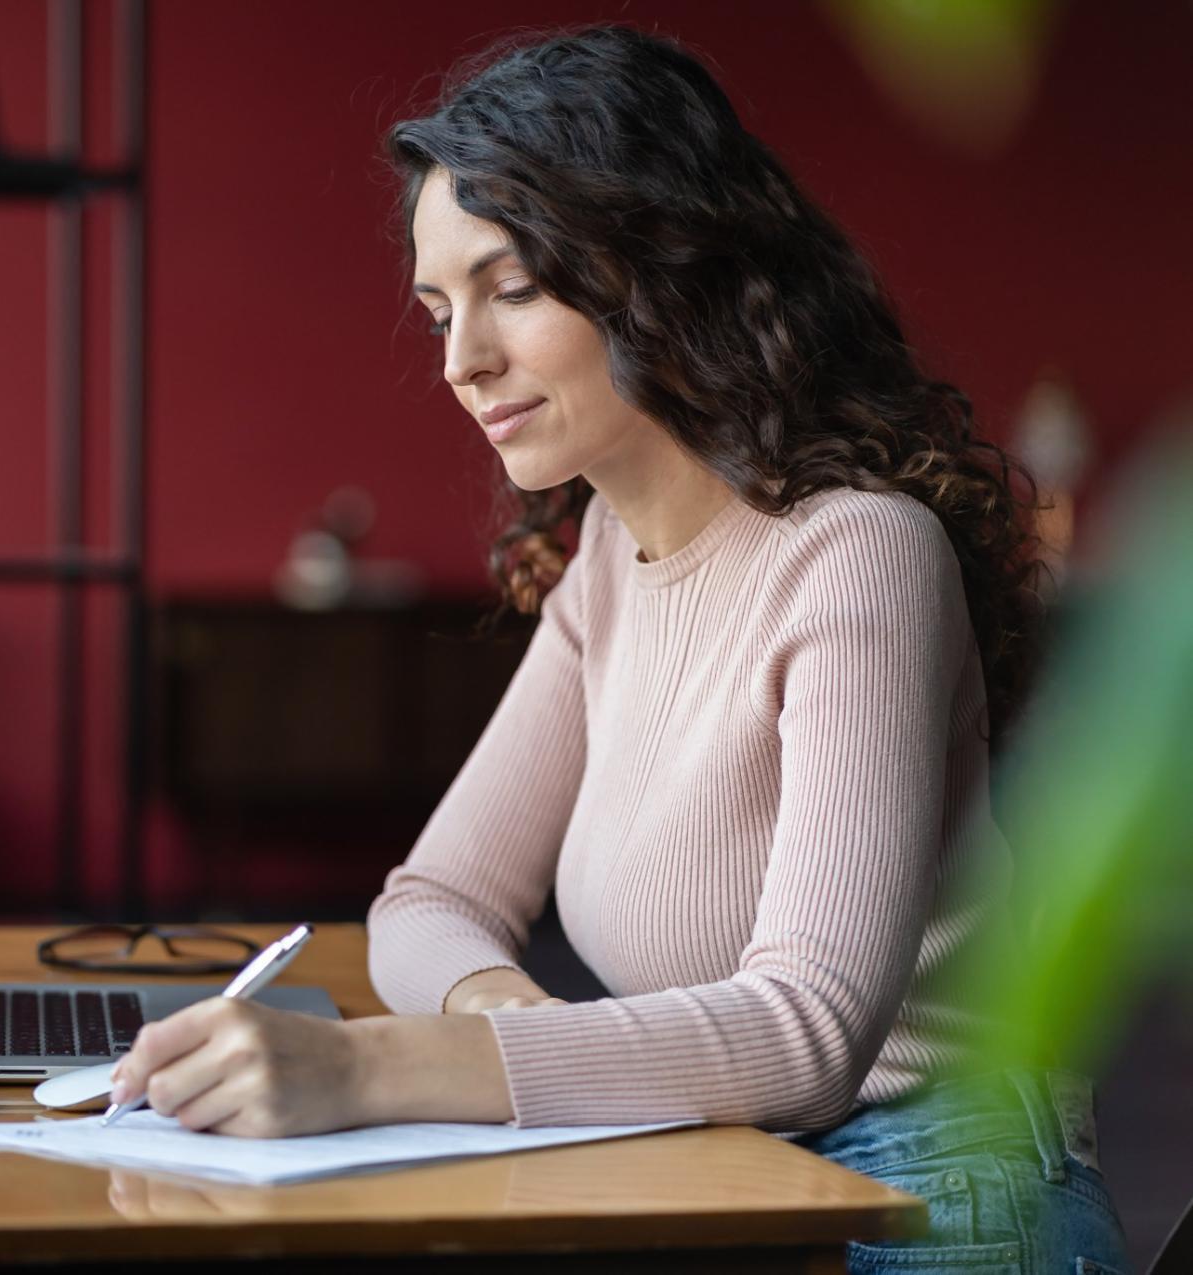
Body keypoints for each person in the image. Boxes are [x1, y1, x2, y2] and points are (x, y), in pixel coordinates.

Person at [108, 25, 1131, 1272]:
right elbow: (432, 904)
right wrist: (512, 1023)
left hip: (938, 1187)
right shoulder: (606, 557)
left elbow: (811, 1034)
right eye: (439, 309)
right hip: (718, 1161)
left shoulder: (860, 553)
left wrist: (378, 1063)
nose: (460, 360)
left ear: (662, 265)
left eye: (514, 289)